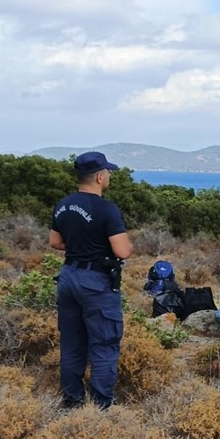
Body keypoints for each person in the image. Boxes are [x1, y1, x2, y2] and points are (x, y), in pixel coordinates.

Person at [49, 151, 133, 410]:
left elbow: (55, 242)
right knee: (104, 343)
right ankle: (101, 406)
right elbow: (122, 251)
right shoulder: (106, 209)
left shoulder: (63, 204)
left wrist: (79, 248)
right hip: (96, 281)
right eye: (107, 173)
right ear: (99, 177)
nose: (109, 176)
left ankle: (72, 402)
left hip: (68, 277)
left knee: (72, 343)